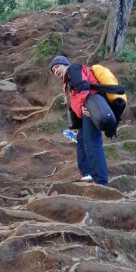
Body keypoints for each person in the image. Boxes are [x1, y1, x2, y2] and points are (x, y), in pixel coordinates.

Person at [49, 55, 108, 186]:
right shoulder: (68, 81)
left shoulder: (73, 70)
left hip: (91, 107)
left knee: (92, 142)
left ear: (65, 64)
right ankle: (86, 173)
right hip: (89, 108)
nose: (56, 71)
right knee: (82, 139)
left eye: (57, 66)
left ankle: (101, 181)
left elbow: (83, 86)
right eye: (53, 70)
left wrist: (82, 106)